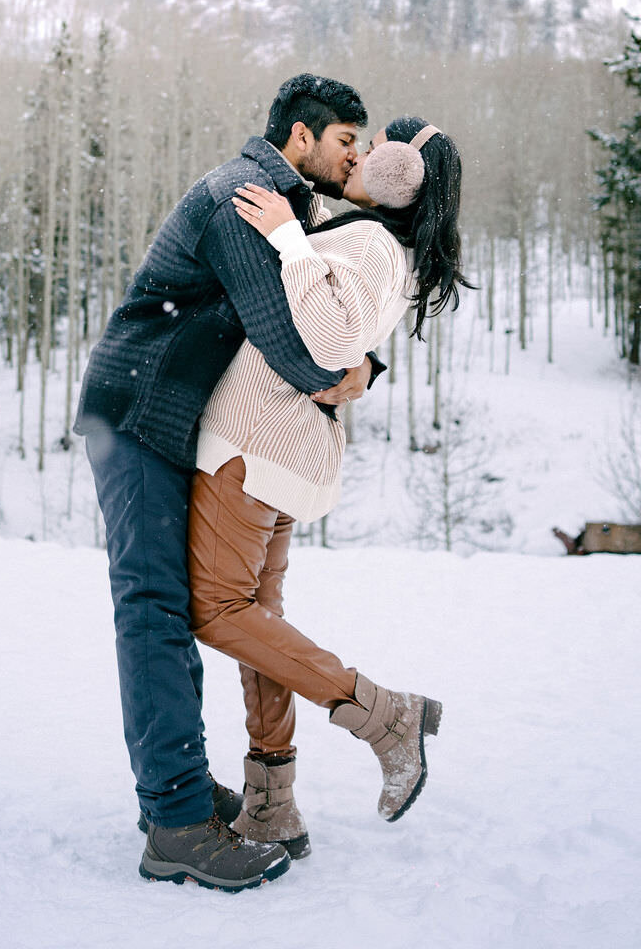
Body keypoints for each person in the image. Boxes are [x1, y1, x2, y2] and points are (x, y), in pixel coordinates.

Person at [74, 74, 384, 892]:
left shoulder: (283, 206)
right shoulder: (245, 199)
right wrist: (347, 369)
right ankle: (175, 821)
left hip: (176, 420)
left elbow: (326, 323)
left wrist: (362, 363)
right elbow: (292, 340)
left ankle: (172, 792)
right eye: (347, 142)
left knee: (173, 606)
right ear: (302, 137)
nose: (355, 158)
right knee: (154, 608)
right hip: (139, 411)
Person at [188, 116, 468, 859]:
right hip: (276, 446)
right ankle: (273, 802)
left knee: (217, 610)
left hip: (253, 442)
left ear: (401, 171)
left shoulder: (374, 243)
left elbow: (330, 335)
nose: (364, 153)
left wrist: (286, 237)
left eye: (377, 147)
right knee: (259, 624)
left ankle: (382, 714)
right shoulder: (371, 238)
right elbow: (349, 344)